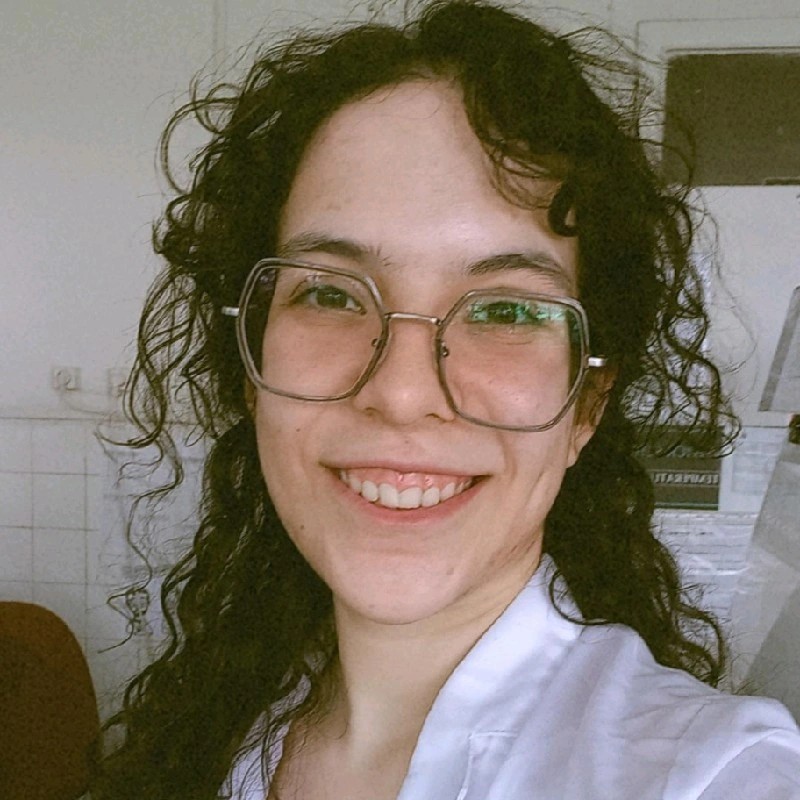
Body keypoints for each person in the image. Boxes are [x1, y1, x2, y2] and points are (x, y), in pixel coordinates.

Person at [88, 1, 800, 798]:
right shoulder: (209, 732)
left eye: (507, 311)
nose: (401, 392)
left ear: (588, 404)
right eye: (330, 294)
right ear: (250, 369)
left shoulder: (715, 776)